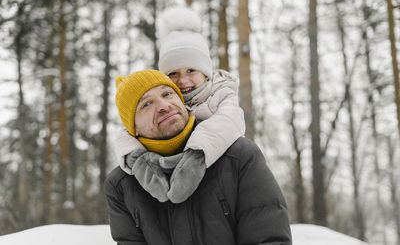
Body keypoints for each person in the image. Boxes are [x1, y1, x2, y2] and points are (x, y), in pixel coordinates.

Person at [105, 69, 292, 245]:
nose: (163, 106)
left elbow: (269, 239)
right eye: (146, 104)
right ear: (133, 128)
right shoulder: (122, 185)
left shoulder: (239, 157)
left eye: (167, 94)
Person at [114, 7, 245, 204]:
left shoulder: (222, 93)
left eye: (191, 70)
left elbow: (227, 123)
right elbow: (127, 132)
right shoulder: (168, 101)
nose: (183, 80)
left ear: (205, 72)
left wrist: (196, 155)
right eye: (173, 73)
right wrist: (137, 159)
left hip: (217, 170)